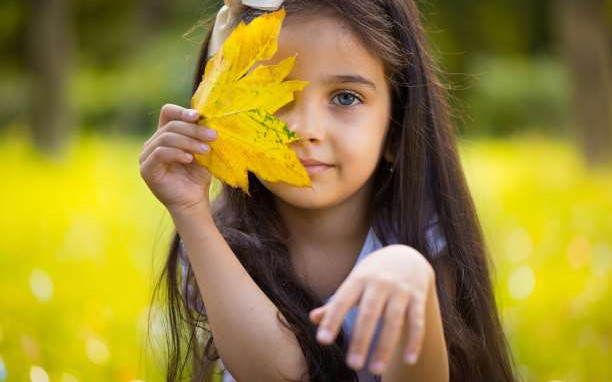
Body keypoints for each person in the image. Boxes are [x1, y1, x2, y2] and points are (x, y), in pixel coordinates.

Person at [139, 1, 519, 381]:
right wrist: (190, 211)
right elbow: (281, 375)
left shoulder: (427, 234)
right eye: (277, 98)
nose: (306, 129)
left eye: (345, 97)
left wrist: (412, 276)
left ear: (396, 126)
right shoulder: (220, 242)